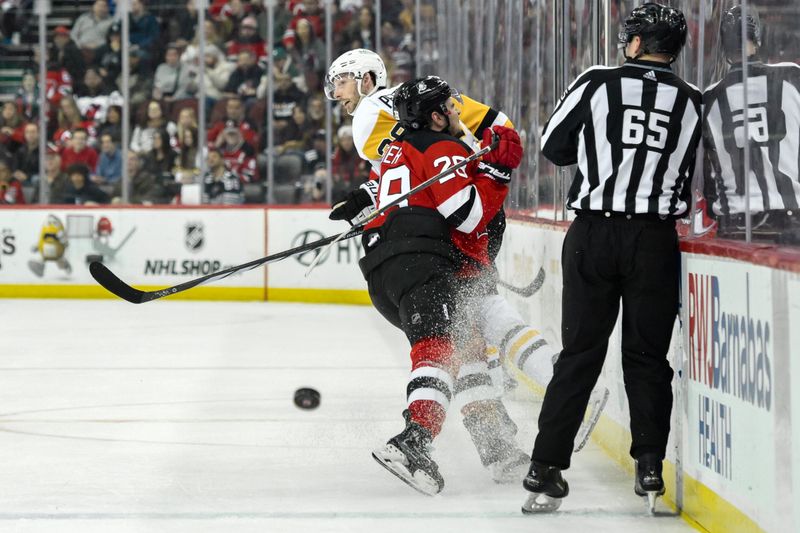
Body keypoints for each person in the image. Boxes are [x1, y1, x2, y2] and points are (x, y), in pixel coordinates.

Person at [325, 48, 607, 483]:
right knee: (471, 333)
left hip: (447, 231)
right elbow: (488, 133)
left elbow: (432, 175)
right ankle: (501, 443)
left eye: (341, 80)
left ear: (367, 79)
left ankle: (558, 401)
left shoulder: (374, 118)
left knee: (476, 324)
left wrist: (485, 171)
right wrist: (489, 163)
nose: (336, 92)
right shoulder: (418, 105)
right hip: (450, 226)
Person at [521, 3, 702, 514]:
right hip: (654, 239)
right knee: (646, 357)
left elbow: (553, 147)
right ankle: (648, 464)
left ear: (639, 43)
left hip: (593, 234)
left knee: (580, 354)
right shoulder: (692, 100)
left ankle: (545, 467)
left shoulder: (598, 81)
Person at [363, 76, 521, 495]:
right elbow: (467, 216)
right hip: (422, 265)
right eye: (451, 107)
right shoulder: (441, 147)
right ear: (434, 116)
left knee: (466, 351)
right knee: (441, 351)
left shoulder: (396, 150)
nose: (457, 112)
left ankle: (499, 448)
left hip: (387, 272)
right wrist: (496, 174)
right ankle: (413, 439)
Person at [703, 5, 800, 245]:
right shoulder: (792, 78)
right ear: (758, 38)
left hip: (733, 222)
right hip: (790, 221)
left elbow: (707, 174)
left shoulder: (711, 97)